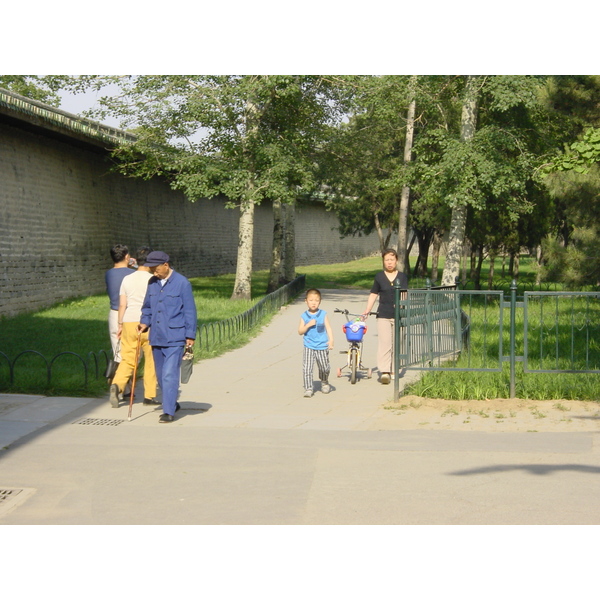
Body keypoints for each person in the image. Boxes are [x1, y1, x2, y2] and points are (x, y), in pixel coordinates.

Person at [138, 251, 197, 423]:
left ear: (166, 265)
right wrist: (144, 322)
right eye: (151, 269)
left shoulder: (182, 283)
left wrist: (190, 334)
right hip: (156, 336)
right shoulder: (152, 283)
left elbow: (189, 311)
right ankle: (171, 402)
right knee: (160, 374)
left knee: (169, 374)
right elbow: (147, 307)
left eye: (155, 269)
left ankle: (168, 411)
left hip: (175, 336)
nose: (153, 272)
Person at [109, 247, 158, 408]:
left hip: (129, 322)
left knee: (128, 359)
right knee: (151, 359)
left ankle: (117, 385)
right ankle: (149, 395)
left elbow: (123, 304)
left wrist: (121, 324)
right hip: (148, 322)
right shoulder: (153, 280)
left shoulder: (127, 279)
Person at [362, 248, 408, 384]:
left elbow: (404, 293)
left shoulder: (402, 277)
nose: (389, 262)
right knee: (385, 343)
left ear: (396, 261)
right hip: (383, 314)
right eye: (387, 260)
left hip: (398, 315)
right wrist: (367, 310)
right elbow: (373, 294)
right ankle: (385, 371)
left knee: (397, 343)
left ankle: (394, 369)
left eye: (392, 260)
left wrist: (401, 305)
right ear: (383, 261)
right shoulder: (379, 277)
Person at [298, 288, 334, 397]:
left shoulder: (323, 314)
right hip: (309, 345)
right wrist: (308, 325)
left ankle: (324, 381)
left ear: (320, 301)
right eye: (311, 300)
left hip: (322, 345)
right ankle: (309, 388)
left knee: (324, 367)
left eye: (316, 300)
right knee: (307, 368)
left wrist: (331, 340)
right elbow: (300, 331)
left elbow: (328, 328)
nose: (314, 303)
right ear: (306, 301)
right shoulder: (304, 316)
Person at [105, 244, 135, 363]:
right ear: (127, 256)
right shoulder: (133, 274)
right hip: (130, 312)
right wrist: (136, 265)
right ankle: (130, 374)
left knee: (117, 348)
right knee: (132, 347)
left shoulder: (109, 274)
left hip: (114, 312)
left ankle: (119, 376)